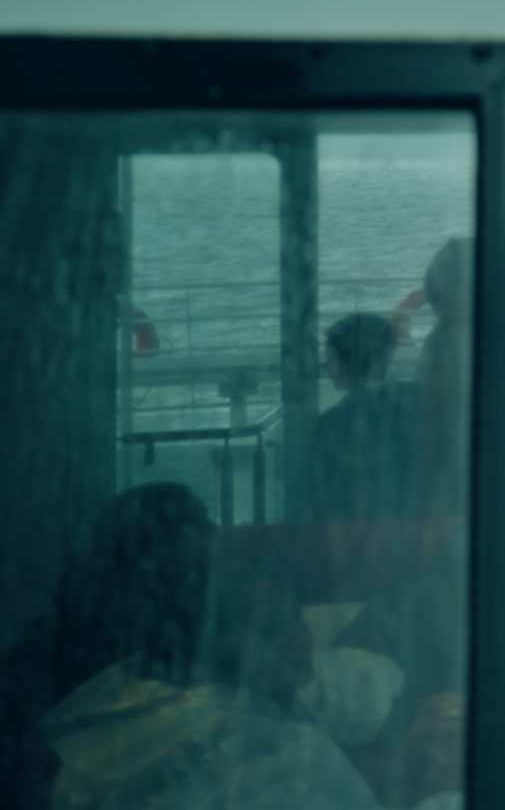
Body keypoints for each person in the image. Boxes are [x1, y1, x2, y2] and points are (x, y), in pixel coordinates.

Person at [39, 557, 380, 810]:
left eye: (298, 618)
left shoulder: (137, 718)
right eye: (270, 632)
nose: (302, 639)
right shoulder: (259, 747)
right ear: (216, 651)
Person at [0, 485, 213, 805]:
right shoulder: (112, 627)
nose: (213, 533)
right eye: (196, 525)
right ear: (156, 549)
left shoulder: (167, 620)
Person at [310, 313, 432, 524]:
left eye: (329, 358)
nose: (326, 366)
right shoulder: (416, 399)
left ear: (340, 362)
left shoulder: (332, 423)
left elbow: (329, 501)